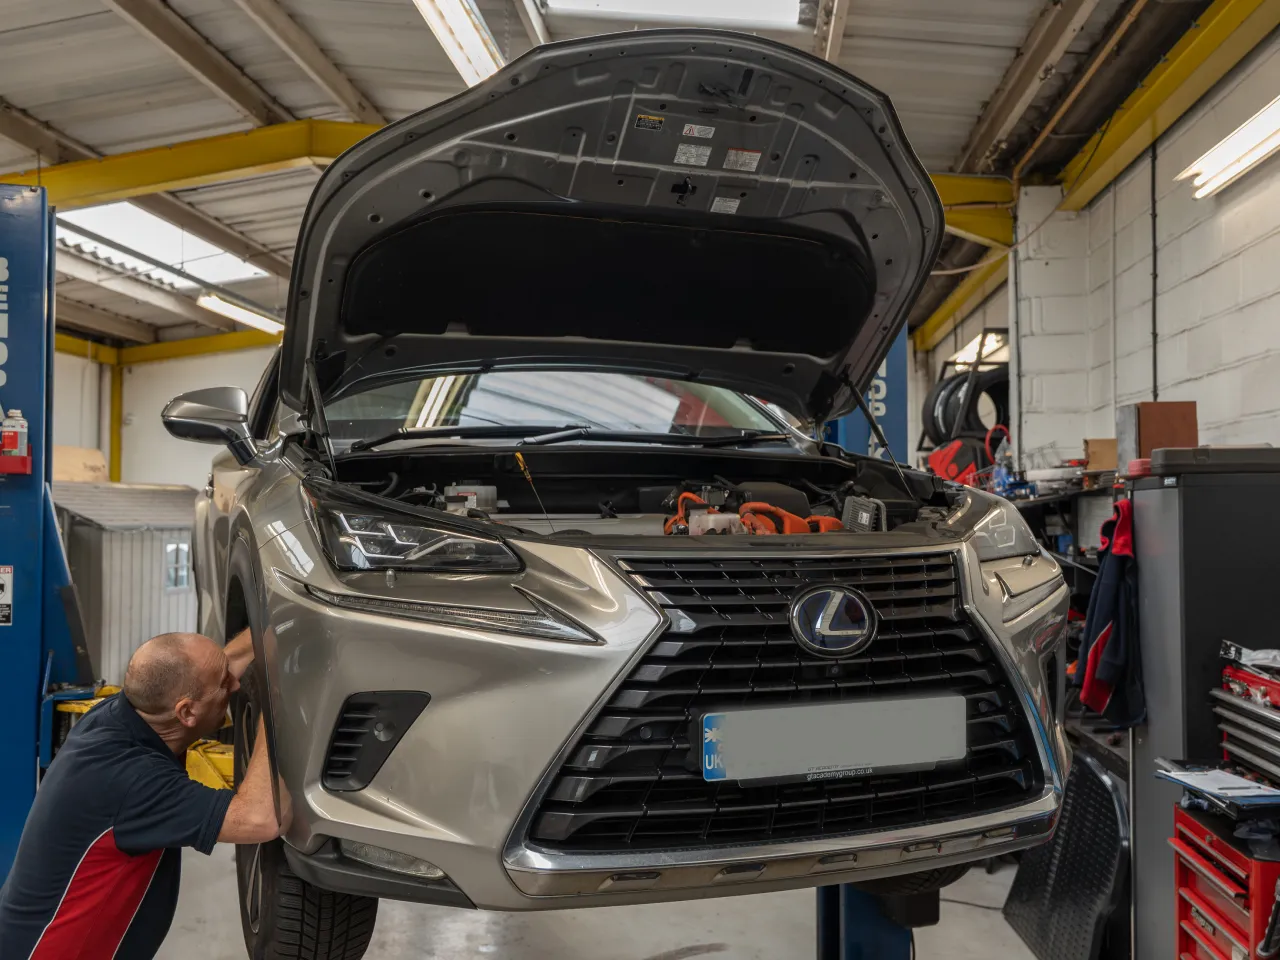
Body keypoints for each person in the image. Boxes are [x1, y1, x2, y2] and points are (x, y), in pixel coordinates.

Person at [0, 628, 281, 958]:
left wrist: (282, 620)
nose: (234, 686)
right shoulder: (133, 781)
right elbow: (260, 819)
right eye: (223, 685)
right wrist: (278, 698)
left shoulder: (119, 716)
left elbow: (228, 662)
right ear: (186, 712)